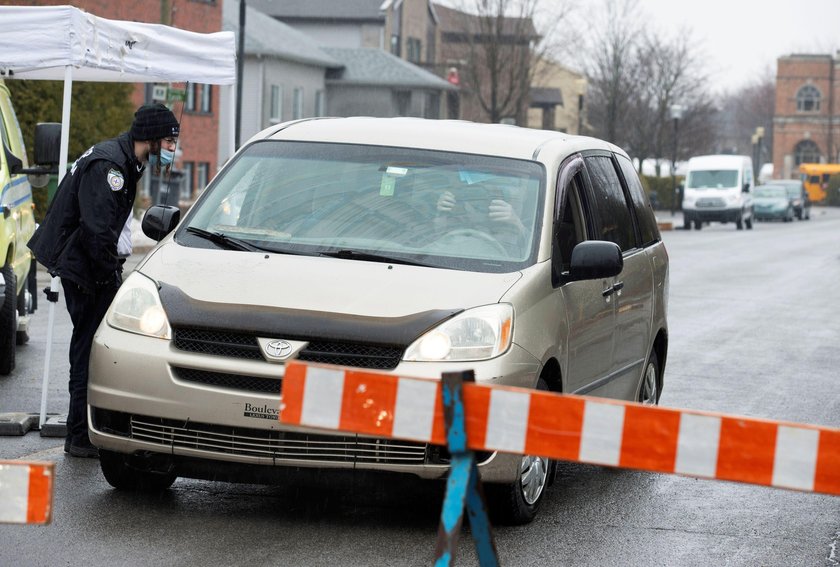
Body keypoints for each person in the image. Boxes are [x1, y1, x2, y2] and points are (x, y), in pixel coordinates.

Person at [28, 103, 179, 458]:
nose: (173, 148)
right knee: (89, 349)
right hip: (83, 268)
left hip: (87, 263)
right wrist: (113, 276)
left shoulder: (126, 160)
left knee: (91, 346)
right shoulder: (111, 167)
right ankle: (79, 434)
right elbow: (97, 232)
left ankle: (85, 429)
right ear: (151, 138)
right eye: (170, 141)